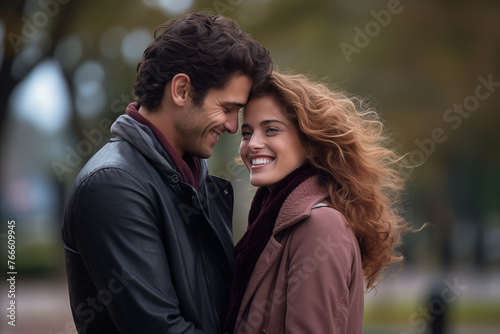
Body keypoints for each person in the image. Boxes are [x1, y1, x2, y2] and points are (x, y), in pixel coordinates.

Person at [61, 12, 272, 334]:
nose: (232, 126)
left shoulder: (193, 178)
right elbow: (159, 328)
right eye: (227, 108)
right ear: (182, 90)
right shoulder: (113, 185)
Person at [224, 72, 409, 334]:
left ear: (310, 143)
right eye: (246, 133)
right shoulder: (271, 220)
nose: (253, 144)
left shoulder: (321, 227)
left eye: (271, 129)